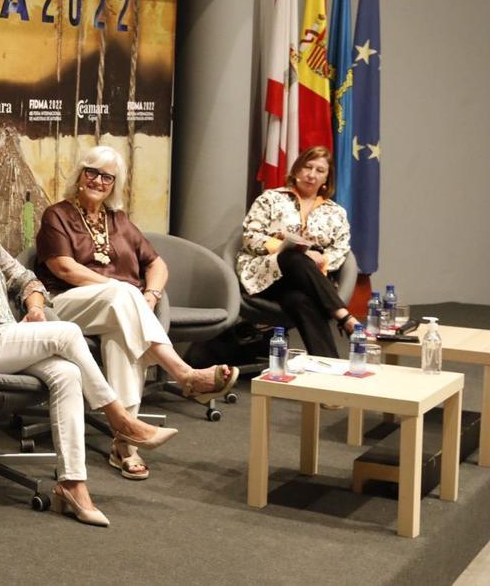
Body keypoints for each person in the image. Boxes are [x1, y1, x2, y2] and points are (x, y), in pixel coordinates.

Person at [0, 155, 178, 527]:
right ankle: (120, 419)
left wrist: (34, 305)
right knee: (66, 332)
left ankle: (72, 486)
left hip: (3, 335)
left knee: (66, 373)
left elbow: (25, 278)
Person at [34, 145, 237, 481]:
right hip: (69, 305)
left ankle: (125, 447)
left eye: (107, 177)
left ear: (115, 183)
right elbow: (64, 268)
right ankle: (184, 374)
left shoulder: (120, 221)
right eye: (92, 172)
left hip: (118, 310)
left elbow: (156, 263)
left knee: (123, 340)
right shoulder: (57, 215)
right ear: (79, 174)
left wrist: (150, 295)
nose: (98, 181)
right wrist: (123, 291)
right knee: (122, 297)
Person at [236, 145, 355, 358]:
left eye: (320, 170)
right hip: (266, 275)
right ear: (296, 170)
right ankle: (344, 317)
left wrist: (323, 259)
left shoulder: (336, 212)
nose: (311, 175)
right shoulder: (270, 198)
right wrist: (282, 247)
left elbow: (341, 248)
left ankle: (329, 368)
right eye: (307, 167)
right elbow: (250, 238)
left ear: (327, 178)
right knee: (293, 257)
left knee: (299, 301)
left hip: (309, 280)